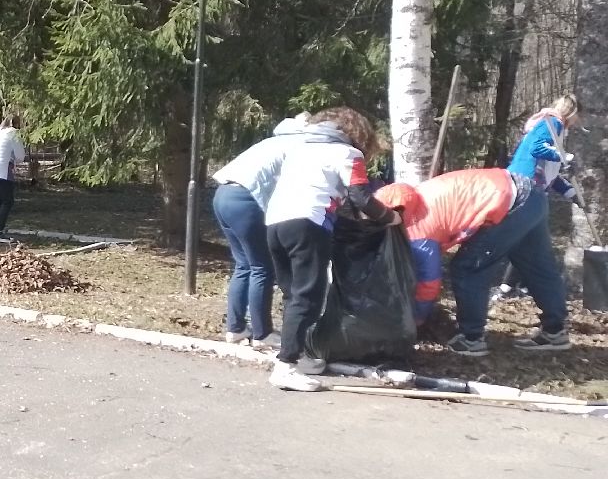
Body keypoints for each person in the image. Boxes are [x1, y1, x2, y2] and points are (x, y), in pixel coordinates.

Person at [262, 106, 399, 392]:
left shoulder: (300, 148)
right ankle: (286, 366)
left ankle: (292, 355)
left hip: (275, 222)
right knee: (307, 298)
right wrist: (390, 217)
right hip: (309, 223)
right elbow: (361, 197)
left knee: (292, 295)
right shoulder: (349, 154)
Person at [378, 168, 570, 354]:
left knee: (467, 268)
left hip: (508, 202)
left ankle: (471, 338)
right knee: (537, 265)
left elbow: (429, 283)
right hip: (530, 193)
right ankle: (555, 330)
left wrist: (417, 319)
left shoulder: (418, 227)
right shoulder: (419, 194)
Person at [210, 113, 332, 348]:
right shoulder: (301, 145)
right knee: (262, 267)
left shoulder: (274, 141)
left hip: (223, 195)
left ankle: (235, 328)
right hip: (247, 200)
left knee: (244, 265)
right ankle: (262, 333)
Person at [497, 93, 581, 300]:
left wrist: (572, 193)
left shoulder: (555, 129)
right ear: (573, 113)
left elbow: (551, 174)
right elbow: (537, 149)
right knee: (530, 241)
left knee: (532, 240)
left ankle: (514, 288)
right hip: (526, 186)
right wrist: (565, 157)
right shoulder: (553, 123)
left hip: (531, 187)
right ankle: (510, 288)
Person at [0, 115, 27, 243]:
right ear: (15, 123)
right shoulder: (13, 133)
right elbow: (20, 156)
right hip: (3, 171)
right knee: (7, 201)